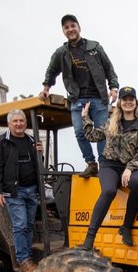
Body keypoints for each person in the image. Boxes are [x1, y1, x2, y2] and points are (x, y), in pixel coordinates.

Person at [40, 14, 119, 178]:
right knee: (79, 132)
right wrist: (46, 88)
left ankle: (104, 164)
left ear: (79, 27)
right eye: (66, 27)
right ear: (63, 31)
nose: (70, 29)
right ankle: (91, 163)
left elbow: (109, 68)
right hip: (77, 99)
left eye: (72, 26)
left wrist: (114, 88)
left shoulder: (95, 47)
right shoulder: (61, 53)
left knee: (102, 132)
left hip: (98, 97)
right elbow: (51, 71)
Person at [80, 87, 138, 250]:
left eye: (131, 99)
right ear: (120, 103)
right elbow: (93, 136)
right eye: (124, 99)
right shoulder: (111, 121)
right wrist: (85, 118)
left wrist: (130, 168)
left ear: (136, 103)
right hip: (109, 165)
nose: (128, 102)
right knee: (108, 191)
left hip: (130, 165)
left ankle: (126, 226)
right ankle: (89, 238)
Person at [0, 109, 43, 272]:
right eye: (15, 121)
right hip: (14, 191)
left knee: (29, 225)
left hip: (32, 189)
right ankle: (23, 259)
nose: (19, 124)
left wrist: (39, 153)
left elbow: (38, 165)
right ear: (9, 124)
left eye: (21, 121)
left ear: (26, 124)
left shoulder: (32, 141)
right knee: (20, 225)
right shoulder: (1, 142)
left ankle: (27, 255)